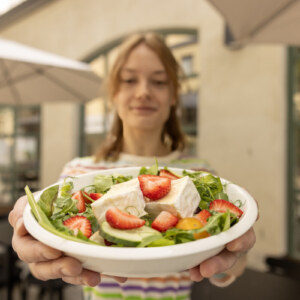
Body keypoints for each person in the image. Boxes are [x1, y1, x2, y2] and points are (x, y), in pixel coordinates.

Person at [9, 32, 256, 300]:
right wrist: (37, 250)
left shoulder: (200, 174)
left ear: (174, 95)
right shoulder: (77, 175)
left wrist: (233, 255)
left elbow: (224, 265)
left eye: (159, 81)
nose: (143, 92)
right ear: (113, 93)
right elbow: (47, 260)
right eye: (129, 80)